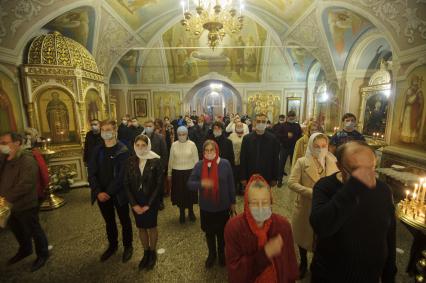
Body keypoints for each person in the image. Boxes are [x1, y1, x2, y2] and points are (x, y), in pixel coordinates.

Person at [310, 141, 397, 283]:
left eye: (371, 169)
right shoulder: (325, 187)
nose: (367, 177)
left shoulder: (383, 190)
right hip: (330, 276)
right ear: (339, 166)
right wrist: (353, 187)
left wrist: (389, 274)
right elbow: (321, 225)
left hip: (370, 276)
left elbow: (389, 235)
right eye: (357, 170)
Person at [224, 174, 299, 283]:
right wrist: (265, 254)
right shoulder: (234, 228)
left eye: (264, 203)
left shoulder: (283, 226)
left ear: (271, 202)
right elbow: (235, 273)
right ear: (247, 204)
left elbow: (290, 263)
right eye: (254, 203)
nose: (260, 207)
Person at [288, 133, 339, 279]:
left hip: (326, 207)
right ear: (311, 146)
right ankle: (303, 263)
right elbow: (291, 183)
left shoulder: (332, 161)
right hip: (306, 206)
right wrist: (312, 192)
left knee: (321, 237)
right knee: (304, 237)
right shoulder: (302, 162)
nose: (321, 149)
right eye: (317, 146)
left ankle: (316, 264)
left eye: (324, 146)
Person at [0, 132, 49, 272]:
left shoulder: (27, 160)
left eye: (4, 142)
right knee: (16, 229)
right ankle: (25, 249)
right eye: (1, 142)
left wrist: (5, 199)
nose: (2, 145)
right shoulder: (4, 158)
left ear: (17, 143)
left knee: (34, 229)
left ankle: (43, 254)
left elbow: (26, 184)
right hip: (7, 204)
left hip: (24, 203)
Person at [88, 120, 133, 263]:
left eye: (108, 129)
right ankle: (112, 246)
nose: (105, 132)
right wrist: (98, 191)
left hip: (118, 193)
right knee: (109, 222)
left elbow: (122, 176)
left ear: (115, 131)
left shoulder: (123, 150)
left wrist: (108, 192)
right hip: (101, 194)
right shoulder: (97, 150)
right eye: (103, 130)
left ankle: (128, 246)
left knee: (125, 220)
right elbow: (91, 172)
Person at [188, 140, 236, 268]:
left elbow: (231, 184)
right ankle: (212, 254)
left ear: (217, 150)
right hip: (206, 207)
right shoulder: (199, 165)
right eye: (206, 151)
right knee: (209, 233)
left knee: (222, 233)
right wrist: (202, 183)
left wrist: (233, 202)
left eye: (212, 150)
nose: (209, 153)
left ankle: (221, 254)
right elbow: (190, 184)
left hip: (222, 206)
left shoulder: (225, 164)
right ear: (203, 152)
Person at [124, 135, 163, 270]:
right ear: (134, 146)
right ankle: (145, 252)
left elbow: (159, 185)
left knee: (151, 226)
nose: (140, 148)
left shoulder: (155, 160)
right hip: (136, 200)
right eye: (138, 145)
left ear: (148, 146)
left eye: (143, 145)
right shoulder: (130, 161)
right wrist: (134, 204)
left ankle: (152, 252)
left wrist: (149, 204)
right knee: (141, 227)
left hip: (150, 200)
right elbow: (126, 184)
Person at [168, 126, 199, 223]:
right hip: (177, 173)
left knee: (190, 193)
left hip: (190, 172)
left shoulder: (192, 144)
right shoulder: (174, 145)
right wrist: (169, 173)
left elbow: (196, 160)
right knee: (180, 194)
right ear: (177, 135)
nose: (182, 136)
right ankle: (181, 212)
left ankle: (191, 211)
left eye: (184, 134)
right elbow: (171, 160)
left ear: (187, 134)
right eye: (180, 134)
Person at [240, 113, 280, 187]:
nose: (261, 123)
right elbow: (243, 159)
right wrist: (243, 177)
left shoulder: (272, 139)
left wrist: (275, 177)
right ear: (254, 122)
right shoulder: (247, 139)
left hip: (267, 175)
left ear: (266, 123)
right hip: (250, 174)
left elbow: (275, 159)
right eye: (258, 121)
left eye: (263, 121)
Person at [143, 119, 168, 211]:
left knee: (158, 185)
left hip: (158, 166)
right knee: (147, 185)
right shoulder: (141, 138)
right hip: (145, 165)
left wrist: (163, 166)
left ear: (153, 127)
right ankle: (149, 202)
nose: (148, 128)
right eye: (146, 126)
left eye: (150, 126)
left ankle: (160, 201)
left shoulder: (160, 137)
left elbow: (164, 153)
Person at [275, 111, 303, 187]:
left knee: (294, 164)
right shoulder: (282, 125)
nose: (291, 117)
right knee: (281, 164)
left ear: (295, 117)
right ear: (287, 117)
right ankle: (279, 180)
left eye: (293, 116)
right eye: (290, 116)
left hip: (294, 148)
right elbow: (277, 135)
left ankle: (294, 181)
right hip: (284, 147)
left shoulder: (297, 126)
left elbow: (300, 136)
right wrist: (286, 135)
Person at [228, 121, 247, 195]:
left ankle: (242, 189)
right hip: (234, 159)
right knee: (235, 175)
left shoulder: (246, 136)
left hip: (243, 160)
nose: (239, 128)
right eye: (238, 126)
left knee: (242, 175)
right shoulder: (231, 136)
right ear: (235, 127)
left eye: (240, 126)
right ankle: (234, 189)